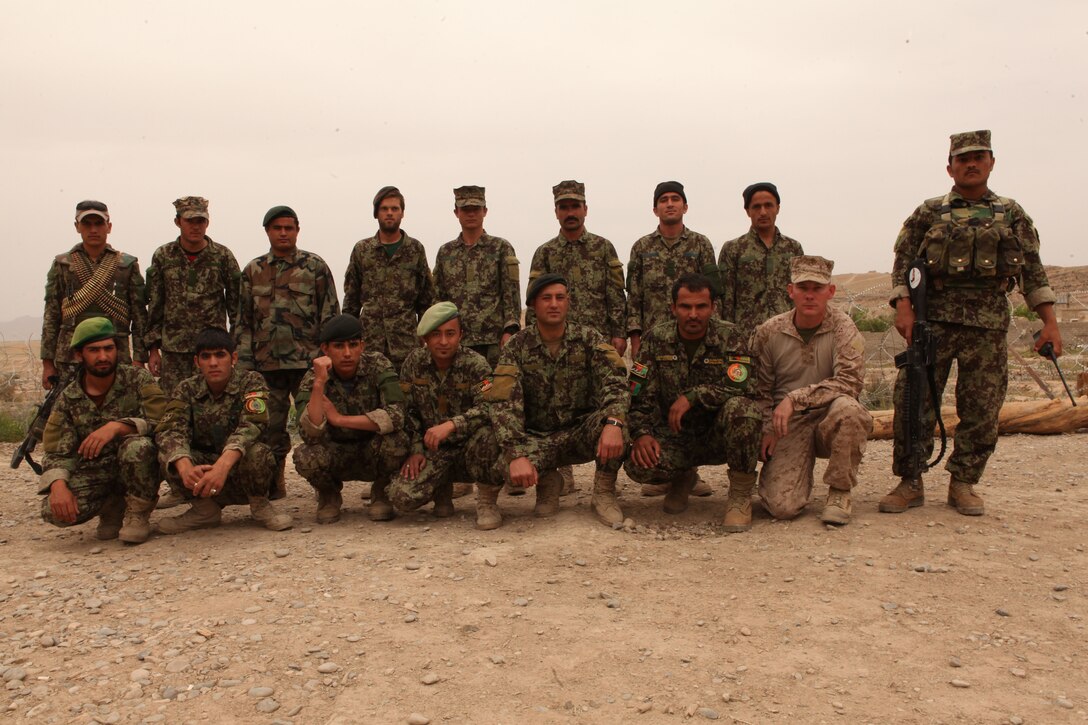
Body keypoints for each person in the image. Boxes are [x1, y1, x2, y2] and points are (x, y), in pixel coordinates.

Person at [882, 130, 1061, 516]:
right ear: (950, 167)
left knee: (982, 409)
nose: (971, 163)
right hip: (934, 323)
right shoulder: (929, 212)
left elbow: (1033, 271)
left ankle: (963, 482)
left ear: (992, 162)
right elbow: (901, 264)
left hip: (988, 325)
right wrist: (904, 307)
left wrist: (1049, 323)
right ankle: (910, 481)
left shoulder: (1011, 213)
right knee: (914, 402)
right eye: (962, 159)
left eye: (978, 157)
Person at [485, 274, 629, 527]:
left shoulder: (589, 339)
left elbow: (616, 381)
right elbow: (504, 403)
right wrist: (516, 454)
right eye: (546, 298)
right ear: (533, 306)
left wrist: (614, 422)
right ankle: (548, 480)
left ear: (568, 302)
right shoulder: (516, 347)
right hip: (537, 436)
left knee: (618, 424)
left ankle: (604, 493)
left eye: (560, 298)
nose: (554, 304)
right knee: (500, 464)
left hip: (579, 432)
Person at [624, 273, 762, 529]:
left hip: (717, 435)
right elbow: (637, 396)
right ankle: (682, 477)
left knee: (744, 410)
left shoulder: (731, 336)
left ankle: (740, 495)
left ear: (713, 308)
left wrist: (695, 396)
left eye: (701, 307)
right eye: (686, 307)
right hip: (674, 436)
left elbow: (746, 388)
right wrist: (641, 434)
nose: (693, 315)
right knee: (637, 465)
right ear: (673, 308)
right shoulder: (655, 340)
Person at [750, 256, 873, 525]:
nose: (809, 295)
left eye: (817, 288)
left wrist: (796, 398)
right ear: (790, 291)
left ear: (830, 291)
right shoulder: (770, 332)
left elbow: (850, 382)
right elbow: (760, 389)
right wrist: (767, 427)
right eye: (802, 287)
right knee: (781, 508)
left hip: (830, 416)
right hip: (788, 424)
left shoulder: (843, 328)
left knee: (851, 410)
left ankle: (840, 492)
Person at [528, 180, 627, 495]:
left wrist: (618, 333)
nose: (570, 212)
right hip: (556, 344)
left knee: (603, 403)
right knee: (555, 404)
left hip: (595, 343)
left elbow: (616, 294)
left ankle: (604, 474)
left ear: (585, 209)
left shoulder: (603, 247)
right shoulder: (544, 253)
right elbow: (534, 302)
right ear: (556, 211)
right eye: (564, 207)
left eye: (575, 206)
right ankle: (561, 469)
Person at [237, 205, 340, 499]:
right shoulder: (253, 271)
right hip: (266, 365)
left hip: (307, 365)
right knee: (270, 428)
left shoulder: (314, 267)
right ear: (267, 231)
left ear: (297, 230)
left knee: (316, 425)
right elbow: (243, 321)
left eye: (289, 228)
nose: (283, 233)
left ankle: (325, 486)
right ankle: (273, 483)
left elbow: (330, 315)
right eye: (277, 228)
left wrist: (327, 358)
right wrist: (245, 365)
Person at [625, 181, 717, 500]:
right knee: (652, 402)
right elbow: (633, 295)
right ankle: (664, 473)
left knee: (692, 401)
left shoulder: (701, 245)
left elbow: (713, 292)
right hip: (654, 343)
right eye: (663, 200)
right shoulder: (641, 247)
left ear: (685, 207)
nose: (669, 204)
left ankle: (690, 471)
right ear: (655, 209)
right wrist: (635, 335)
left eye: (675, 199)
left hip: (693, 338)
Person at [38, 318, 165, 544]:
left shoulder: (138, 380)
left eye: (108, 348)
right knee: (52, 510)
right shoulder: (68, 398)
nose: (103, 357)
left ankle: (138, 512)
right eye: (94, 350)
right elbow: (57, 452)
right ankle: (113, 506)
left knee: (138, 446)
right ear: (79, 355)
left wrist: (119, 426)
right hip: (98, 473)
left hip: (138, 465)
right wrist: (57, 485)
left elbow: (165, 421)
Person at [154, 328, 292, 534]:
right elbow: (170, 429)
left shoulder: (251, 381)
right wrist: (184, 466)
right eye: (206, 357)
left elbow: (253, 425)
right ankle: (204, 511)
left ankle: (260, 505)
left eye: (220, 355)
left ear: (233, 358)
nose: (213, 363)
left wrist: (222, 466)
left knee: (259, 452)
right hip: (203, 475)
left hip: (239, 470)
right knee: (168, 455)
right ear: (196, 362)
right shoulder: (186, 389)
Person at [292, 315, 410, 524]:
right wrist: (319, 384)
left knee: (398, 441)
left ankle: (381, 491)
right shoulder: (314, 376)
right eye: (339, 346)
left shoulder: (378, 365)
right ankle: (329, 495)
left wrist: (340, 419)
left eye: (353, 345)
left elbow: (397, 415)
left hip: (372, 449)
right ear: (325, 349)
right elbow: (308, 433)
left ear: (362, 346)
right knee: (305, 454)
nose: (347, 353)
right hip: (335, 452)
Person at [387, 303, 496, 524]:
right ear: (425, 338)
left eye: (450, 333)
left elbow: (489, 406)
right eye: (436, 334)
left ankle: (487, 500)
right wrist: (416, 449)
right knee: (401, 498)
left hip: (469, 447)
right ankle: (441, 489)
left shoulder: (477, 365)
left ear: (461, 335)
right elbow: (407, 411)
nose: (444, 341)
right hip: (433, 450)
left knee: (490, 435)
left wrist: (452, 425)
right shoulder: (413, 363)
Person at [40, 200, 148, 388]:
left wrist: (139, 358)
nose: (93, 230)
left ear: (109, 226)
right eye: (86, 224)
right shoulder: (63, 264)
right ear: (77, 227)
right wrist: (48, 363)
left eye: (99, 223)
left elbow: (138, 316)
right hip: (71, 355)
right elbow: (52, 315)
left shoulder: (126, 265)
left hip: (115, 354)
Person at [145, 196, 241, 395]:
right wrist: (153, 349)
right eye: (190, 221)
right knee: (173, 404)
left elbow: (236, 306)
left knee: (213, 403)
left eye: (200, 221)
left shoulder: (222, 256)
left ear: (208, 222)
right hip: (174, 351)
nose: (196, 227)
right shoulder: (163, 256)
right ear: (178, 222)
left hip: (212, 351)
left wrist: (234, 347)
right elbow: (155, 304)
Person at [343, 186, 436, 371]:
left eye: (395, 209)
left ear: (402, 213)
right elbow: (351, 300)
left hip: (406, 344)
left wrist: (427, 337)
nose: (390, 213)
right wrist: (347, 339)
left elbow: (426, 299)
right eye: (384, 209)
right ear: (376, 213)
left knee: (408, 395)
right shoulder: (362, 250)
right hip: (370, 344)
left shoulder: (415, 249)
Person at [433, 186, 522, 369]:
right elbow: (438, 299)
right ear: (456, 212)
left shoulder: (500, 248)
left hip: (493, 342)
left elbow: (511, 295)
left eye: (476, 209)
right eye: (465, 209)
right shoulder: (446, 252)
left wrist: (510, 331)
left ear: (485, 211)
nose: (471, 214)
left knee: (491, 390)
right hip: (456, 342)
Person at [716, 182, 805, 342]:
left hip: (787, 336)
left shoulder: (793, 248)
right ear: (748, 211)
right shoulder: (733, 249)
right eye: (756, 207)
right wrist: (728, 338)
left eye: (768, 205)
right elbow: (725, 299)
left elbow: (800, 293)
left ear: (778, 207)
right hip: (746, 338)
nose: (763, 212)